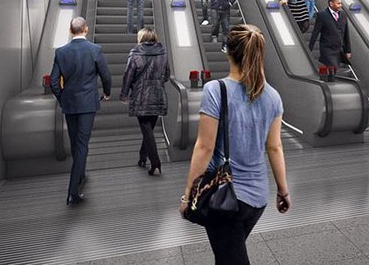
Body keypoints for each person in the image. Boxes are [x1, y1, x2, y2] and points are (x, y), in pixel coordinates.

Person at [179, 24, 290, 263]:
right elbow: (274, 147)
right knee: (228, 254)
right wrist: (283, 190)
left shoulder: (215, 90)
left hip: (226, 199)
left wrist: (187, 196)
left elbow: (204, 147)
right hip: (258, 198)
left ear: (228, 51)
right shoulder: (273, 96)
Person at [49, 17, 112, 205]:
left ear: (70, 30)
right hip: (87, 103)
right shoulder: (95, 50)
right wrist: (107, 93)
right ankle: (73, 191)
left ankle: (81, 174)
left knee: (75, 141)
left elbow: (53, 82)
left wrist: (62, 97)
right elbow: (106, 75)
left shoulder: (61, 52)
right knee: (82, 143)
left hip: (69, 103)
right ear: (86, 29)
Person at [120, 28, 170, 176]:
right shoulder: (163, 53)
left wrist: (124, 94)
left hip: (141, 96)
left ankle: (156, 163)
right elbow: (166, 75)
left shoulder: (136, 53)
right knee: (148, 130)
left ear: (141, 38)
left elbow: (128, 75)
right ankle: (142, 157)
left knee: (147, 130)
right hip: (158, 94)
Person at [308, 0, 351, 69]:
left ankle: (326, 78)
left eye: (341, 3)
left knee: (333, 69)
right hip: (327, 49)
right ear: (331, 4)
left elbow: (346, 34)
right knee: (332, 66)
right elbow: (315, 33)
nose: (340, 5)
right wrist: (309, 49)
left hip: (338, 49)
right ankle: (328, 78)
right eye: (338, 3)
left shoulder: (343, 15)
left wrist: (348, 50)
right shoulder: (322, 15)